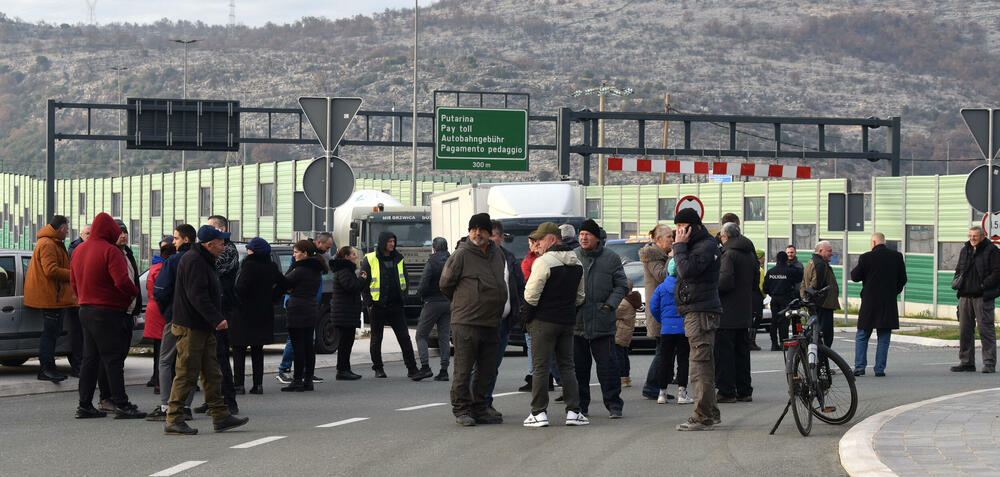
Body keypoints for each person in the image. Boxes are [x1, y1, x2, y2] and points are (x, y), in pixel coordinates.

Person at [164, 225, 249, 435]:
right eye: (221, 243)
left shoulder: (204, 259)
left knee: (212, 372)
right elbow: (197, 296)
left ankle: (220, 415)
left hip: (203, 327)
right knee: (186, 374)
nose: (224, 246)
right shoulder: (194, 261)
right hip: (191, 327)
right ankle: (173, 418)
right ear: (210, 244)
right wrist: (217, 318)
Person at [69, 212, 144, 419]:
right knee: (113, 359)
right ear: (109, 230)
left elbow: (73, 281)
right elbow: (122, 282)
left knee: (89, 359)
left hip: (85, 309)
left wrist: (83, 297)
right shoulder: (111, 251)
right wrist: (133, 294)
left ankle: (84, 405)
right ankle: (122, 404)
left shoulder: (78, 250)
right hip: (108, 311)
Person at [439, 213, 507, 426]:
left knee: (487, 369)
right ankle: (461, 410)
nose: (477, 233)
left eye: (482, 229)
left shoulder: (498, 255)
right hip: (466, 322)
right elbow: (445, 284)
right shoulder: (461, 255)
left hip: (491, 322)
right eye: (473, 229)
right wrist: (464, 302)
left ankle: (480, 408)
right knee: (464, 368)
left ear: (489, 233)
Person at [521, 222, 586, 428]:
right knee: (567, 366)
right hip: (566, 320)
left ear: (552, 239)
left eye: (540, 239)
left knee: (541, 367)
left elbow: (531, 295)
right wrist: (568, 310)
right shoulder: (577, 262)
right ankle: (574, 411)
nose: (536, 244)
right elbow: (580, 296)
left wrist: (527, 319)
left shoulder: (543, 262)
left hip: (543, 320)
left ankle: (538, 413)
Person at [672, 208, 722, 431]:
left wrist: (679, 247)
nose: (679, 232)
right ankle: (710, 413)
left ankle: (702, 416)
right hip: (696, 310)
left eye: (683, 228)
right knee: (704, 364)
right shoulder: (697, 246)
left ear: (695, 227)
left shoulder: (705, 246)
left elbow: (686, 271)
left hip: (701, 312)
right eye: (677, 229)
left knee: (699, 366)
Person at [574, 218, 629, 419]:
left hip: (602, 321)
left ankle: (614, 404)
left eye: (587, 234)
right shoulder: (573, 257)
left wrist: (609, 305)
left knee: (608, 367)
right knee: (579, 368)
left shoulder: (611, 258)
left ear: (597, 238)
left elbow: (621, 286)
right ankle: (580, 406)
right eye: (581, 234)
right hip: (577, 322)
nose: (583, 237)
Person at [147, 224, 198, 421]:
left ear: (185, 239)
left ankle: (166, 404)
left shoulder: (174, 260)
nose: (173, 242)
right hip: (196, 319)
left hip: (175, 317)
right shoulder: (202, 259)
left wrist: (168, 311)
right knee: (189, 362)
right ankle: (185, 405)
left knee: (166, 360)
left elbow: (161, 290)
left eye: (176, 238)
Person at [361, 231, 422, 379]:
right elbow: (364, 284)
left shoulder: (399, 258)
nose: (392, 244)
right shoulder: (369, 259)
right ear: (382, 242)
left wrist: (404, 297)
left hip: (396, 304)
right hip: (377, 305)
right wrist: (369, 303)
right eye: (389, 241)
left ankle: (412, 369)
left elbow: (405, 279)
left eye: (393, 241)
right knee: (377, 338)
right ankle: (378, 368)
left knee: (404, 337)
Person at [24, 215, 75, 382]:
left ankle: (49, 368)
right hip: (51, 297)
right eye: (67, 229)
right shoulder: (47, 243)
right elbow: (51, 270)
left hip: (54, 296)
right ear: (60, 229)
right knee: (50, 333)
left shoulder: (51, 242)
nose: (67, 233)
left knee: (52, 333)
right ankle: (46, 368)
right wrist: (74, 275)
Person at [277, 233, 333, 384]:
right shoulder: (315, 266)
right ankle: (301, 374)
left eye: (295, 253)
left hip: (300, 306)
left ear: (304, 253)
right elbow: (289, 279)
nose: (327, 251)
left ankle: (299, 376)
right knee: (306, 343)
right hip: (309, 305)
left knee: (300, 343)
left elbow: (285, 283)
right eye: (327, 247)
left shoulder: (304, 268)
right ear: (318, 243)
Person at [233, 237, 287, 394]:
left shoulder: (248, 266)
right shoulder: (271, 266)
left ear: (253, 251)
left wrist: (236, 299)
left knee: (239, 349)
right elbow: (284, 283)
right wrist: (273, 297)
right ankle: (258, 385)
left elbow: (241, 288)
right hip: (263, 312)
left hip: (244, 312)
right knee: (258, 350)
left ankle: (239, 384)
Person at [851, 233, 907, 377]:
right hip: (888, 303)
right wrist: (893, 292)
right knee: (884, 336)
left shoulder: (866, 257)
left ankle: (859, 367)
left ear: (874, 243)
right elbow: (903, 279)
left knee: (862, 335)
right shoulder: (897, 257)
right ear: (884, 242)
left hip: (869, 303)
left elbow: (855, 277)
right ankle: (879, 369)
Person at [715, 222, 759, 403]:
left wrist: (711, 287)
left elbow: (725, 281)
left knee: (724, 354)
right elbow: (756, 280)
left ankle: (727, 391)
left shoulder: (728, 254)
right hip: (744, 311)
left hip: (727, 312)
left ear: (726, 237)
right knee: (742, 354)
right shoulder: (750, 253)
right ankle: (744, 390)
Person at [485, 219, 525, 413]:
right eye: (488, 235)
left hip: (504, 322)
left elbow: (519, 286)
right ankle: (471, 404)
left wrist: (517, 312)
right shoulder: (476, 257)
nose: (490, 239)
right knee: (478, 365)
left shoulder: (509, 258)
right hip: (481, 321)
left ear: (501, 237)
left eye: (493, 235)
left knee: (493, 366)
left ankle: (486, 402)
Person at [951, 226, 1000, 373]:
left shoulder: (992, 250)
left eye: (975, 236)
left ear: (983, 236)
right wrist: (957, 281)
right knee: (964, 330)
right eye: (971, 235)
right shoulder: (965, 249)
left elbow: (998, 272)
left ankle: (989, 363)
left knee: (986, 330)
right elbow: (959, 269)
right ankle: (966, 362)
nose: (972, 238)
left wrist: (983, 285)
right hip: (965, 296)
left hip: (982, 296)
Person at [648, 258, 694, 405]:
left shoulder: (661, 288)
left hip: (666, 328)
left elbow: (653, 306)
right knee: (683, 360)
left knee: (665, 361)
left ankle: (662, 393)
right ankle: (682, 393)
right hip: (683, 328)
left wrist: (663, 320)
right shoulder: (686, 286)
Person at [639, 224, 672, 400]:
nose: (672, 240)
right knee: (662, 349)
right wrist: (671, 259)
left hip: (666, 307)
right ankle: (651, 386)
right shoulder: (652, 256)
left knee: (665, 348)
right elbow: (661, 275)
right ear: (658, 239)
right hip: (659, 308)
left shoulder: (661, 255)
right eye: (669, 237)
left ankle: (660, 386)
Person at [415, 237, 451, 381]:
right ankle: (444, 371)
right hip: (448, 302)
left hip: (432, 302)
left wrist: (420, 296)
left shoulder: (431, 262)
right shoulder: (452, 261)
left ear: (434, 249)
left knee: (421, 335)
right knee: (444, 337)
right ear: (447, 248)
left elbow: (423, 284)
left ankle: (425, 367)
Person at [144, 242, 177, 394]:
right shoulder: (163, 269)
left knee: (158, 348)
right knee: (166, 350)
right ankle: (161, 383)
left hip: (153, 309)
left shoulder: (153, 268)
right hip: (161, 311)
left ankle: (156, 379)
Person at [330, 245, 365, 381]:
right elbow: (351, 287)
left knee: (347, 342)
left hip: (346, 312)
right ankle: (342, 370)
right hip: (344, 312)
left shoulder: (346, 269)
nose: (356, 256)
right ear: (346, 257)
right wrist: (362, 280)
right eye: (354, 254)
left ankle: (345, 369)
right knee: (345, 343)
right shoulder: (344, 270)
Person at [801, 241, 840, 353]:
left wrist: (805, 298)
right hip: (823, 306)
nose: (832, 253)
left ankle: (818, 365)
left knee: (817, 336)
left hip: (818, 305)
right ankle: (821, 366)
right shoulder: (820, 264)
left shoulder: (811, 262)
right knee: (824, 338)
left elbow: (803, 284)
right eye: (829, 251)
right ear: (820, 251)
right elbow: (815, 286)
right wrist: (814, 300)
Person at [763, 251, 802, 351]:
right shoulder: (789, 271)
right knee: (784, 322)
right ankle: (784, 343)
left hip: (774, 299)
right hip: (786, 298)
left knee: (774, 321)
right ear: (786, 260)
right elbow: (799, 278)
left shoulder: (771, 271)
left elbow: (765, 288)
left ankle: (774, 344)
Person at [615, 280, 641, 388]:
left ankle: (622, 378)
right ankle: (626, 377)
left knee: (619, 356)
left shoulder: (624, 303)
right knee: (624, 355)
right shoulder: (631, 300)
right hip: (626, 332)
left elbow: (614, 312)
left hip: (620, 332)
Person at [748, 249, 766, 351]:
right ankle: (752, 341)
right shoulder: (760, 270)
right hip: (756, 297)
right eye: (763, 257)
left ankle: (749, 340)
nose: (764, 259)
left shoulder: (748, 267)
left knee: (750, 319)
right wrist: (764, 295)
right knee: (756, 319)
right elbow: (761, 286)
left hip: (748, 297)